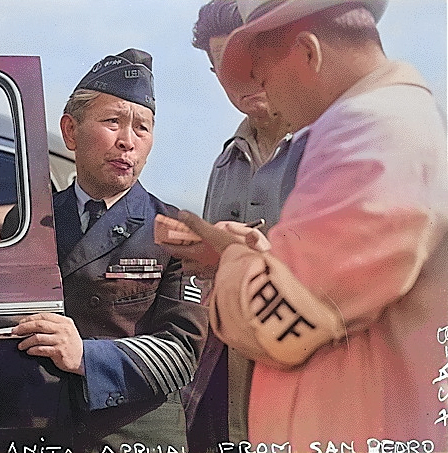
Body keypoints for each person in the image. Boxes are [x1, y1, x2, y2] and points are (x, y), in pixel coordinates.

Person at [164, 0, 448, 450]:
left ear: (308, 53)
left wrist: (230, 257)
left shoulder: (374, 137)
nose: (260, 92)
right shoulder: (376, 127)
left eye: (262, 75)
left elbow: (275, 320)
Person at [0, 49, 207, 452]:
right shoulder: (28, 220)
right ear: (70, 131)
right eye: (112, 122)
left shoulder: (174, 231)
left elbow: (181, 352)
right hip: (36, 426)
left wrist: (85, 355)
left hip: (130, 435)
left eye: (143, 128)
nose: (127, 142)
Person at [182, 1, 291, 450]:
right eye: (223, 66)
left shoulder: (338, 147)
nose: (240, 78)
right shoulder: (226, 161)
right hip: (230, 383)